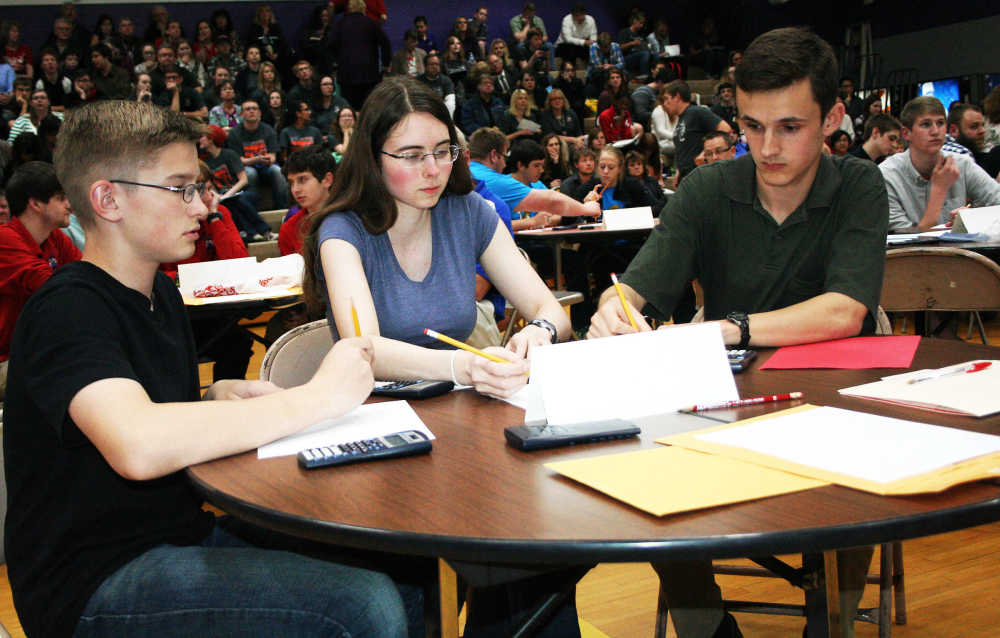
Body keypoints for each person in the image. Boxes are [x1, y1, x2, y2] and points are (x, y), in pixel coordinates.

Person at [5, 99, 427, 638]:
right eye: (180, 189)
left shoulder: (159, 291)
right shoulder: (66, 308)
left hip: (176, 535)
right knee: (362, 605)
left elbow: (133, 411)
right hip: (94, 579)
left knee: (404, 563)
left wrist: (209, 399)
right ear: (108, 199)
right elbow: (138, 444)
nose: (202, 208)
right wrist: (318, 397)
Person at [589, 28, 890, 637]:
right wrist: (612, 309)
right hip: (727, 403)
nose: (766, 147)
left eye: (789, 127)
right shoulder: (705, 189)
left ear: (833, 117)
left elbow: (844, 313)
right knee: (644, 473)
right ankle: (707, 627)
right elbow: (635, 288)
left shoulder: (859, 184)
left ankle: (830, 625)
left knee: (869, 488)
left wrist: (729, 329)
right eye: (751, 126)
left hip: (833, 399)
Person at [302, 78, 574, 431]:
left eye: (443, 151)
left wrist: (540, 330)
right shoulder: (342, 232)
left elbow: (552, 310)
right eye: (412, 156)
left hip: (457, 415)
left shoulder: (469, 211)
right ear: (372, 157)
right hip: (375, 420)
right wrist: (463, 365)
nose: (432, 170)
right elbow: (365, 348)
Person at [160, 161, 254, 381]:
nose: (203, 197)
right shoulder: (167, 221)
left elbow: (240, 263)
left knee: (239, 343)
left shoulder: (219, 213)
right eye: (193, 190)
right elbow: (157, 276)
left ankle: (223, 403)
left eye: (205, 188)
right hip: (176, 315)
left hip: (213, 311)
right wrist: (201, 278)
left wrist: (214, 219)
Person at [0, 161, 81, 370]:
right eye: (61, 198)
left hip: (37, 349)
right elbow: (53, 290)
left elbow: (87, 273)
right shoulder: (5, 240)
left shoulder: (54, 237)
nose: (69, 205)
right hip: (8, 360)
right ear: (36, 204)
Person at [880, 96, 1000, 231]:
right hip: (912, 252)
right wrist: (939, 191)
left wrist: (971, 218)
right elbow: (902, 241)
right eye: (926, 124)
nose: (935, 131)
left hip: (963, 251)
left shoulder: (961, 164)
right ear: (906, 133)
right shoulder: (886, 175)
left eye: (940, 123)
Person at [200, 124, 275, 241]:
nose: (200, 139)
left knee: (238, 201)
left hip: (244, 191)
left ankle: (262, 231)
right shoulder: (205, 161)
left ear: (211, 138)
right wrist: (218, 195)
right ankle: (258, 233)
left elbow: (243, 180)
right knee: (230, 204)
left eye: (202, 136)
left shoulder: (229, 154)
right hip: (225, 197)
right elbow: (211, 185)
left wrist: (227, 195)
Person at [326, 0, 391, 110]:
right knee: (368, 107)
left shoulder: (340, 24)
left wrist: (338, 61)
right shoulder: (371, 23)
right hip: (369, 75)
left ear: (349, 9)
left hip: (347, 75)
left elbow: (330, 45)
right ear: (364, 9)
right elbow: (386, 44)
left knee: (348, 107)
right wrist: (385, 64)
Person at [661, 79, 732, 180]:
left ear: (677, 97)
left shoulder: (697, 112)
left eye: (666, 99)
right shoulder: (681, 118)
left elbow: (725, 129)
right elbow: (682, 148)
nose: (665, 104)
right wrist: (678, 170)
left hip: (701, 175)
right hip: (686, 176)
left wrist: (706, 153)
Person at [226, 98, 289, 209]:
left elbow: (273, 157)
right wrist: (257, 159)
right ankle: (253, 208)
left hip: (266, 167)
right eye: (248, 109)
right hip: (246, 168)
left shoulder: (268, 130)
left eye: (254, 109)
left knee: (278, 171)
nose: (251, 111)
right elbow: (238, 161)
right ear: (241, 114)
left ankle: (282, 208)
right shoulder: (235, 133)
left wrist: (263, 159)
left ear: (259, 112)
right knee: (250, 173)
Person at [617, 10, 651, 79]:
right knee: (645, 54)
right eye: (640, 23)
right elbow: (620, 48)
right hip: (628, 57)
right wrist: (632, 43)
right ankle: (644, 75)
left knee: (655, 54)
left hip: (640, 53)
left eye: (643, 23)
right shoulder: (625, 32)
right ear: (635, 21)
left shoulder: (641, 33)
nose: (642, 25)